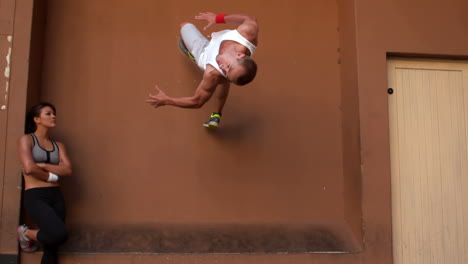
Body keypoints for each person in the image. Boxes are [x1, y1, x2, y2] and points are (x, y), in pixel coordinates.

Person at [146, 12, 259, 129]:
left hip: (203, 52)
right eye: (228, 66)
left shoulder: (212, 73)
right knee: (223, 81)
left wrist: (167, 100)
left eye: (225, 71)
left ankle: (191, 54)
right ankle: (216, 115)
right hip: (222, 62)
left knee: (185, 26)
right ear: (239, 55)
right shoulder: (247, 34)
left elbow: (197, 101)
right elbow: (249, 18)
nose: (222, 68)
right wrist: (218, 18)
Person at [17, 103, 72, 264]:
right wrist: (52, 176)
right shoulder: (26, 139)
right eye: (48, 114)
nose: (53, 116)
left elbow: (68, 170)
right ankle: (26, 233)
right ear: (36, 119)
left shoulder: (58, 145)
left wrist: (43, 165)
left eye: (54, 113)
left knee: (52, 248)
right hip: (36, 196)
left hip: (56, 197)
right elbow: (28, 167)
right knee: (58, 234)